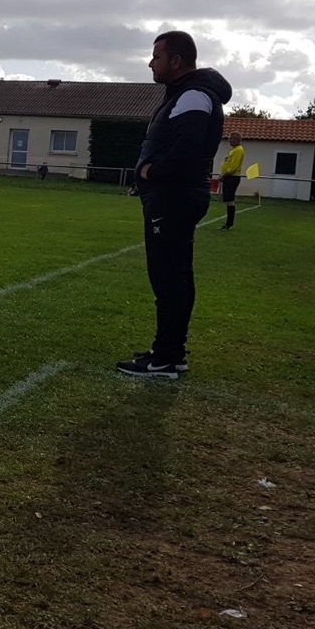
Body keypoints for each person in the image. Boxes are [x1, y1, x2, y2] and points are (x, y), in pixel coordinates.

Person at [116, 30, 232, 379]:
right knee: (174, 275)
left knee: (169, 278)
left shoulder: (194, 95)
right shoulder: (186, 93)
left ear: (176, 61)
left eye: (157, 56)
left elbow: (188, 147)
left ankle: (166, 357)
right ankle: (170, 352)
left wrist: (153, 171)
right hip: (173, 195)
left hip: (175, 196)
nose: (151, 63)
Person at [219, 132, 244, 229]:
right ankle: (228, 223)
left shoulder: (238, 150)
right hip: (228, 177)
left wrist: (224, 175)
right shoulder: (233, 150)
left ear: (236, 140)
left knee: (230, 200)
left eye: (231, 139)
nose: (229, 140)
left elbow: (233, 167)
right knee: (228, 200)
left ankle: (229, 224)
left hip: (232, 178)